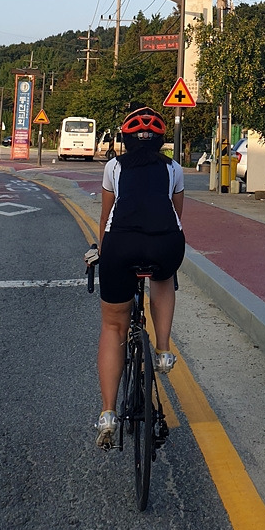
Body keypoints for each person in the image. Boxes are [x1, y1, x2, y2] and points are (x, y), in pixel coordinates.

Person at [93, 106, 185, 449]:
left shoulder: (113, 167)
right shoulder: (174, 169)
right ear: (160, 141)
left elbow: (106, 217)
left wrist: (102, 253)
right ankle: (162, 350)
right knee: (164, 276)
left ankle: (108, 413)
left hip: (120, 245)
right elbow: (176, 216)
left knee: (113, 326)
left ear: (125, 139)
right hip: (165, 245)